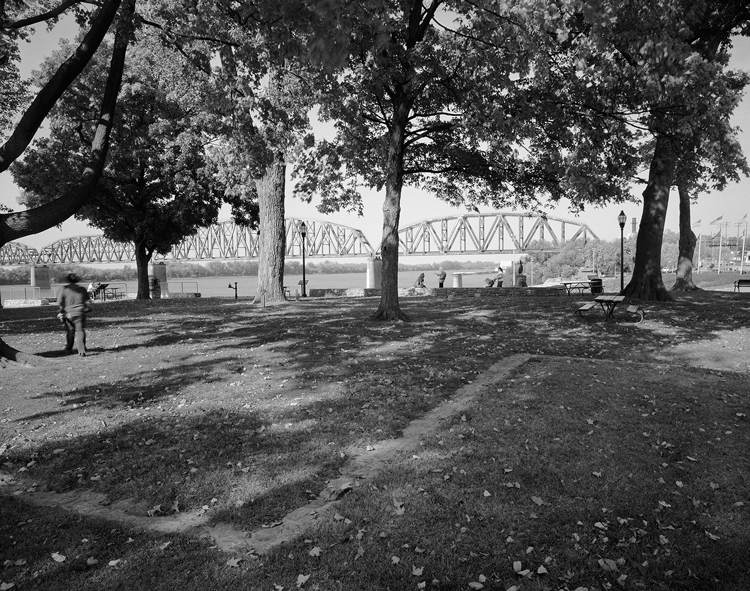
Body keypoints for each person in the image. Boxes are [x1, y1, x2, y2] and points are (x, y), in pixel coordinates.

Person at [56, 273, 91, 357]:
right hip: (80, 313)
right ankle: (82, 350)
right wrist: (87, 308)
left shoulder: (64, 289)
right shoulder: (82, 289)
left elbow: (60, 302)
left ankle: (68, 349)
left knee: (70, 331)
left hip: (69, 314)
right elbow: (88, 301)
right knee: (80, 331)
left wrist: (61, 311)